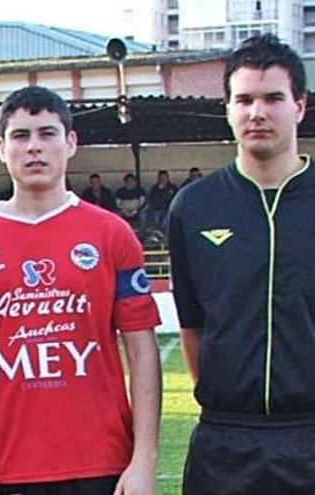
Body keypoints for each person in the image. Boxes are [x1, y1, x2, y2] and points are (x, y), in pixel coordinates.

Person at [0, 86, 161, 495]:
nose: (34, 147)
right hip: (2, 467)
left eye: (47, 133)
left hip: (100, 462)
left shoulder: (111, 234)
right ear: (1, 148)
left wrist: (143, 459)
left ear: (70, 143)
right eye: (21, 136)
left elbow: (141, 349)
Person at [169, 34, 315, 495]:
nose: (257, 112)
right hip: (225, 440)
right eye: (244, 99)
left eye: (273, 98)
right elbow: (192, 326)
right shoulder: (193, 207)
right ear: (228, 107)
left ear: (300, 105)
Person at [145, 170, 177, 235]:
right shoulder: (154, 188)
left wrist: (164, 191)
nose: (163, 180)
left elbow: (174, 199)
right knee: (156, 221)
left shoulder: (173, 188)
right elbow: (151, 199)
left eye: (164, 178)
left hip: (169, 209)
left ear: (168, 178)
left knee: (165, 222)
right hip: (157, 209)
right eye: (161, 178)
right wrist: (159, 191)